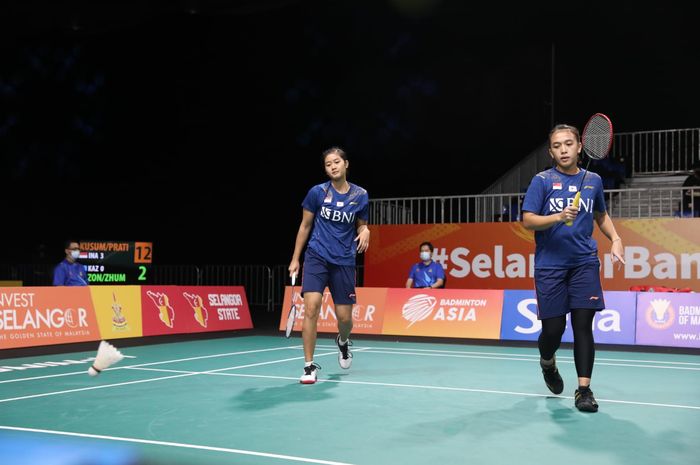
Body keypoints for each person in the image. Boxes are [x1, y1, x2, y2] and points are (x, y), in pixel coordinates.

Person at [521, 123, 625, 413]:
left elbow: (601, 215)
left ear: (580, 146)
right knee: (553, 330)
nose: (563, 149)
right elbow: (528, 220)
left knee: (583, 326)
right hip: (550, 266)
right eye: (557, 146)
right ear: (551, 151)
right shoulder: (542, 181)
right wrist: (557, 216)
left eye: (568, 144)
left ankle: (584, 390)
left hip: (584, 263)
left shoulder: (593, 180)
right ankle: (547, 362)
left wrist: (615, 239)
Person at [288, 147, 370, 384]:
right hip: (317, 256)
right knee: (311, 308)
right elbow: (305, 226)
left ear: (346, 164)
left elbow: (362, 225)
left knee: (345, 319)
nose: (332, 166)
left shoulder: (360, 195)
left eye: (336, 162)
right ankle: (308, 366)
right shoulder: (317, 193)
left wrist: (367, 230)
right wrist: (295, 258)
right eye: (327, 164)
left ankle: (343, 342)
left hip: (344, 260)